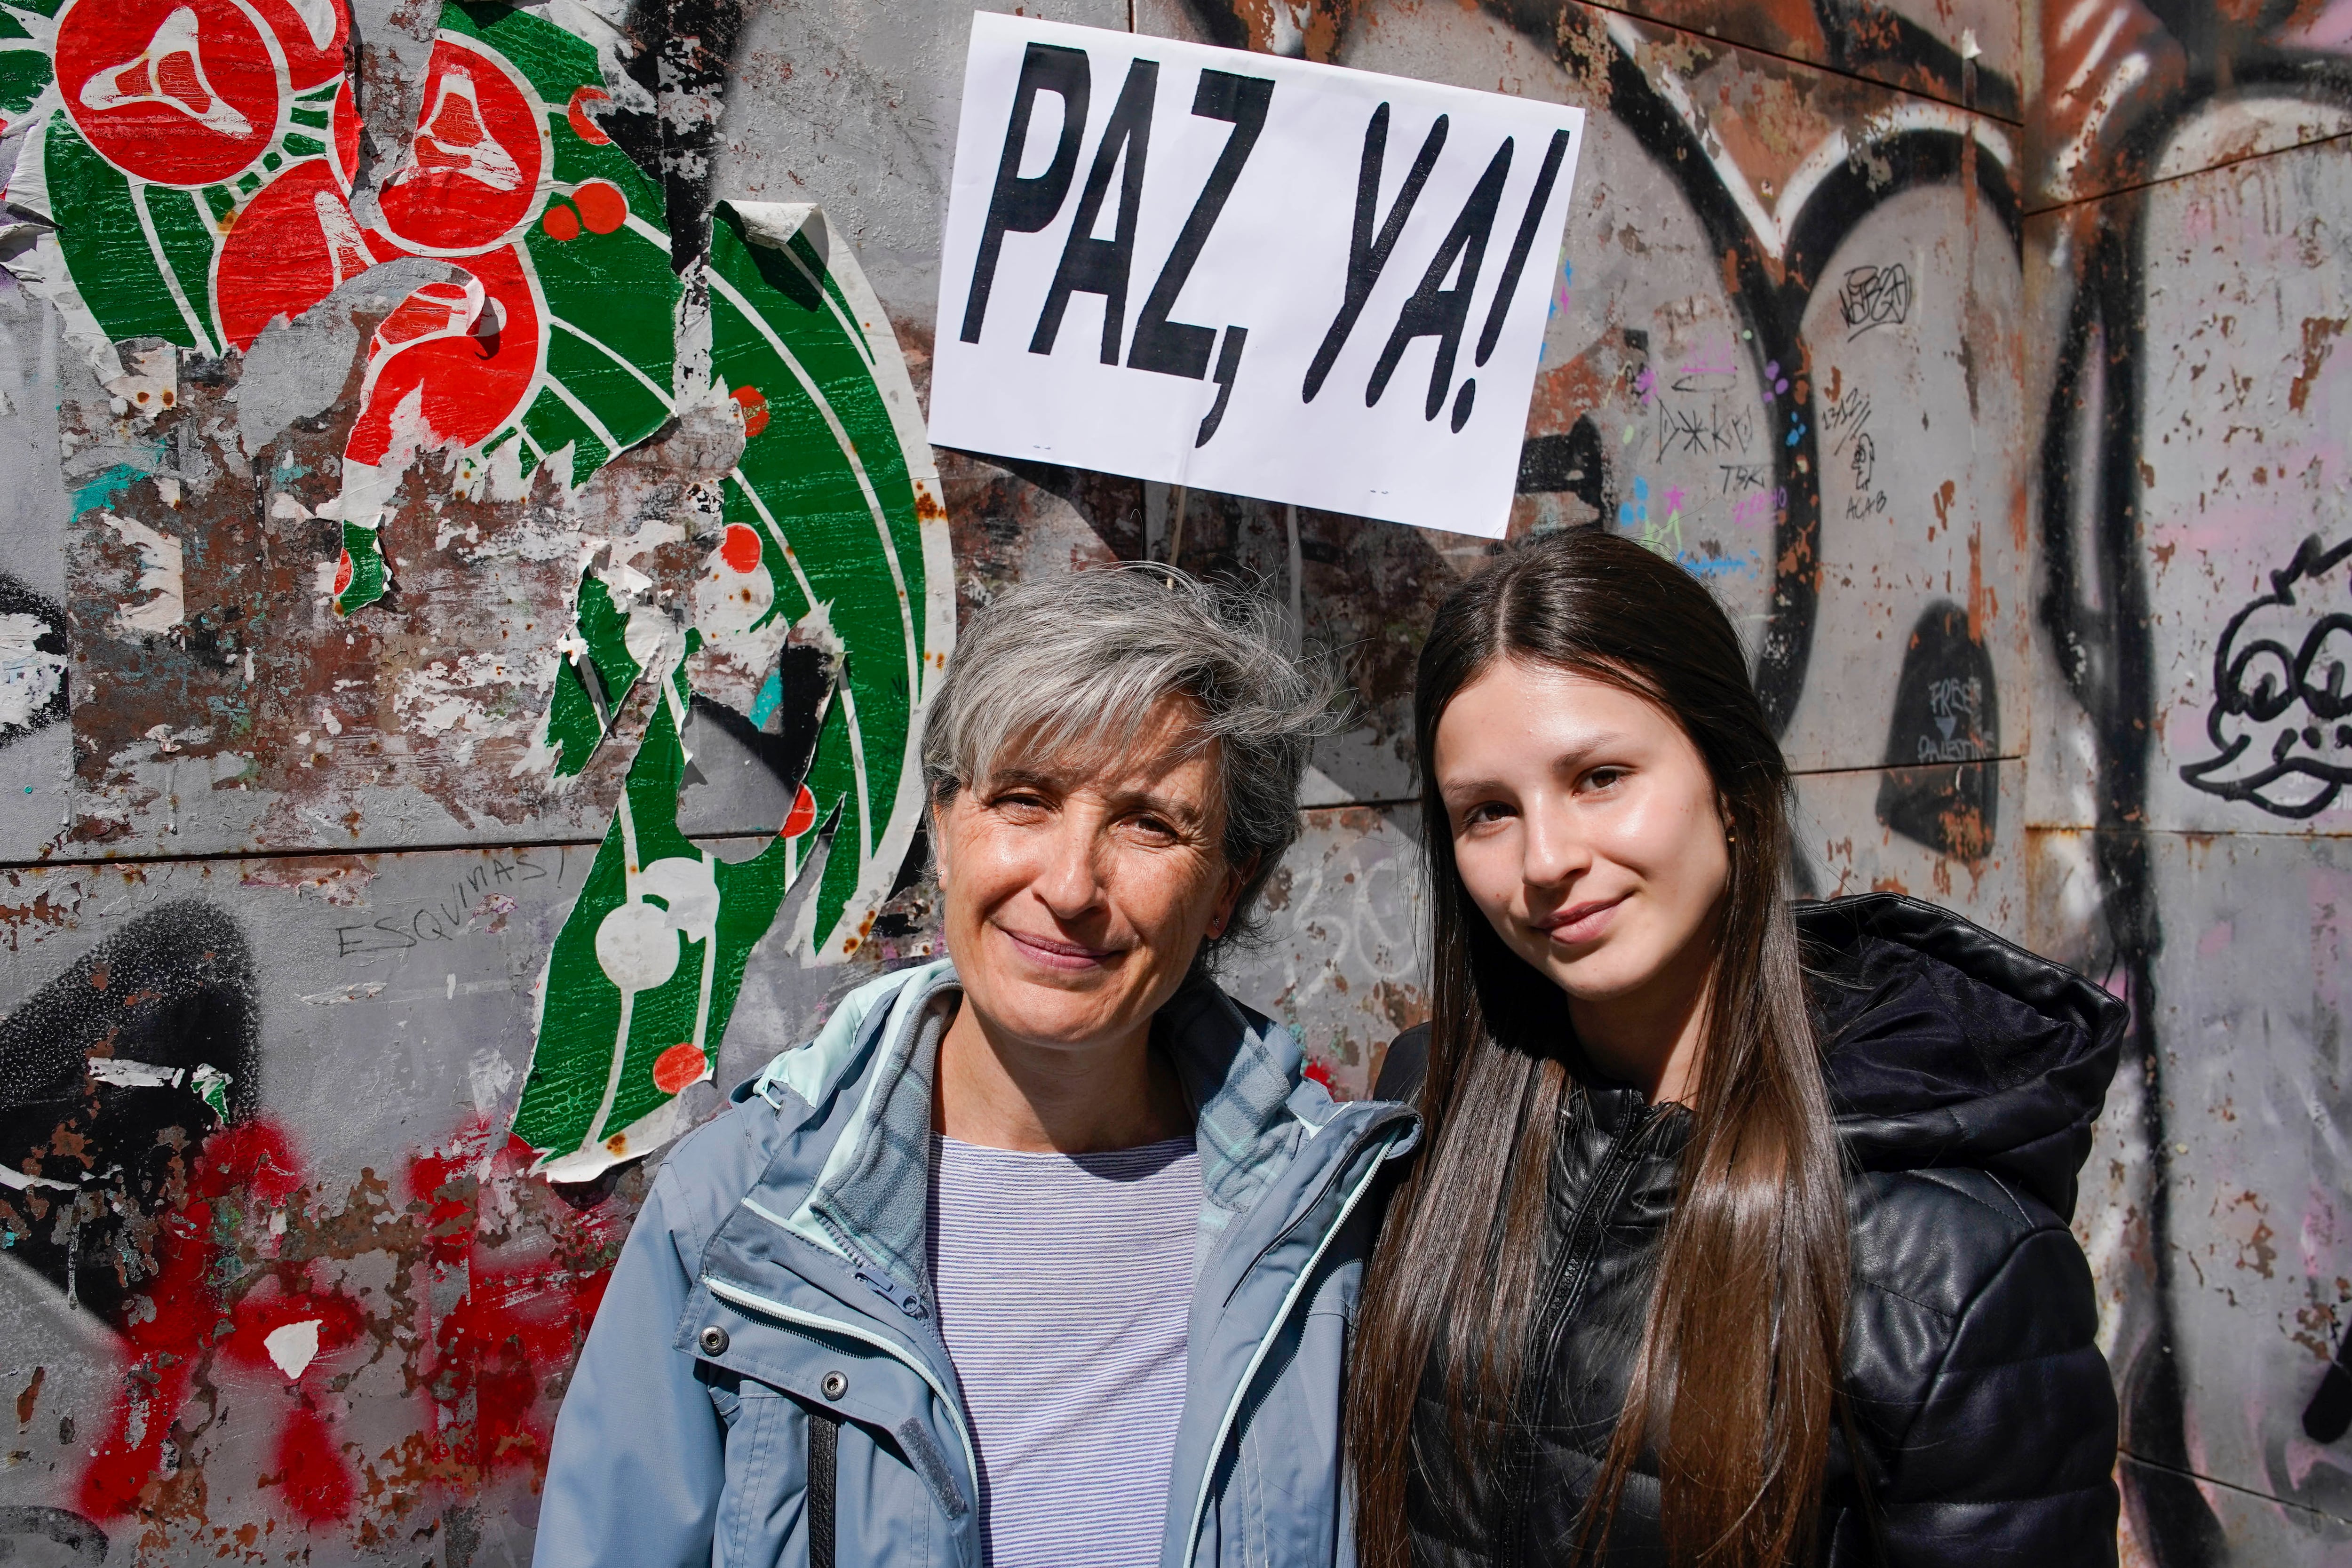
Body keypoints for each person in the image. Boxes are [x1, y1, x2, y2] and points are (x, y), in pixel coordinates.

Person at [536, 565, 1414, 1568]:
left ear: (1226, 888)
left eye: (1149, 823)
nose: (1071, 886)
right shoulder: (740, 1210)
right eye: (1025, 799)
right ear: (947, 828)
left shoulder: (1333, 1220)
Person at [1350, 529, 2124, 1568]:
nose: (1545, 859)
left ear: (1730, 778)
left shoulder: (1948, 1259)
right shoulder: (1431, 1108)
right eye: (1488, 811)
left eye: (1600, 776)